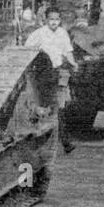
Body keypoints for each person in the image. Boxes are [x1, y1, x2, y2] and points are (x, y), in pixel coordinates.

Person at [25, 9, 77, 153]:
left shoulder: (62, 33)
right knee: (45, 106)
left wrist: (73, 63)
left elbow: (68, 51)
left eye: (57, 19)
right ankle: (52, 141)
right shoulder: (38, 34)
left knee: (58, 107)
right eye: (51, 19)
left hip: (57, 73)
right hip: (41, 74)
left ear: (60, 20)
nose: (54, 22)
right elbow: (27, 51)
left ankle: (64, 141)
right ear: (46, 19)